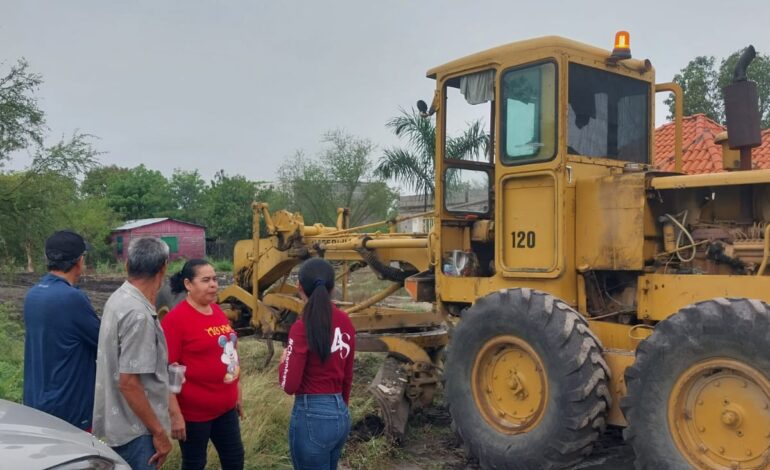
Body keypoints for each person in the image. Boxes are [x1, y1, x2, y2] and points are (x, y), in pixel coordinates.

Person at [92, 237, 172, 470]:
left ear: (127, 264)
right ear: (164, 267)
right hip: (136, 431)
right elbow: (128, 383)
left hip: (118, 422)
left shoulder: (118, 298)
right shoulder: (138, 314)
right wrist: (159, 433)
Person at [160, 259, 244, 470]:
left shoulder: (217, 312)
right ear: (188, 284)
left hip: (226, 408)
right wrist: (175, 414)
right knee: (195, 464)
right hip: (194, 415)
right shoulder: (175, 320)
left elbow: (230, 354)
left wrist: (237, 392)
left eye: (215, 279)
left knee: (235, 459)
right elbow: (167, 370)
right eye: (206, 280)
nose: (214, 285)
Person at [279, 258, 356, 470]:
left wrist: (283, 362)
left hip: (312, 413)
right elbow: (348, 376)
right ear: (332, 288)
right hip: (340, 412)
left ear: (299, 287)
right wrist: (339, 410)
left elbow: (289, 385)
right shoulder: (346, 322)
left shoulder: (301, 327)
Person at [23, 230, 100, 431]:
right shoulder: (71, 298)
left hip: (37, 400)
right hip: (68, 406)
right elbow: (103, 341)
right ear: (79, 261)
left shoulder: (33, 294)